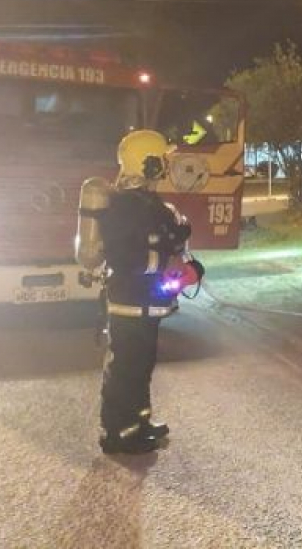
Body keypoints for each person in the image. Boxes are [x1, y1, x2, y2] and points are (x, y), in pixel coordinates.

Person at [96, 130, 199, 455]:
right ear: (149, 164)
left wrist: (183, 266)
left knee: (141, 368)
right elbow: (124, 258)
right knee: (125, 369)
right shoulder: (124, 207)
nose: (168, 166)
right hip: (129, 302)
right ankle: (116, 434)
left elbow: (169, 242)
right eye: (163, 160)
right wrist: (163, 265)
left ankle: (138, 424)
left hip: (148, 304)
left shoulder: (150, 204)